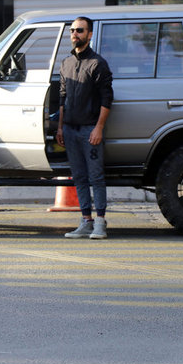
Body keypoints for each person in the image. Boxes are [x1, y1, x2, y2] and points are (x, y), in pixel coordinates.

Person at [56, 16, 114, 239]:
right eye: (72, 30)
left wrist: (99, 128)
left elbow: (107, 99)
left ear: (89, 34)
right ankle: (86, 222)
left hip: (90, 130)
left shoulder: (98, 63)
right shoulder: (66, 63)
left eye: (79, 30)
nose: (74, 34)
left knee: (96, 177)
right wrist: (60, 128)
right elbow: (63, 98)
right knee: (79, 177)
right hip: (70, 130)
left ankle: (100, 223)